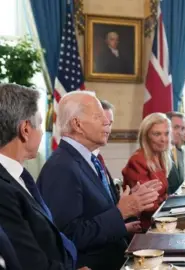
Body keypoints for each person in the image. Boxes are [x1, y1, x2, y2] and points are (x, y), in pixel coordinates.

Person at [37, 91, 160, 270]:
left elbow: (96, 212)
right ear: (77, 124)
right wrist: (120, 213)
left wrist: (129, 205)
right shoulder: (61, 167)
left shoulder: (88, 159)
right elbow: (67, 237)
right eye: (98, 116)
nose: (107, 122)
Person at [0, 83, 88, 270]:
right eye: (40, 124)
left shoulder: (17, 175)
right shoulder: (3, 189)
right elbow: (29, 261)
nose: (42, 131)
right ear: (25, 129)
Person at [122, 113, 170, 230]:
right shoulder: (138, 160)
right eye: (157, 134)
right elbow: (147, 205)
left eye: (166, 133)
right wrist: (170, 207)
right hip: (145, 226)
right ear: (146, 136)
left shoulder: (160, 157)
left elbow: (163, 194)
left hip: (160, 219)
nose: (163, 139)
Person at [166, 111, 185, 194]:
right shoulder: (158, 154)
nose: (180, 132)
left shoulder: (180, 152)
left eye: (182, 129)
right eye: (176, 127)